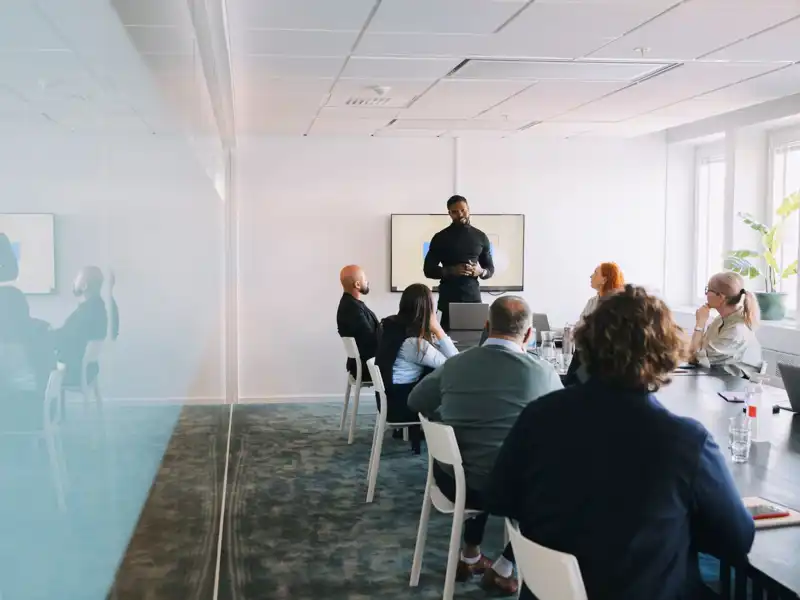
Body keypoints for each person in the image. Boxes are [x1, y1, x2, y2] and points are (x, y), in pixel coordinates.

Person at [485, 285, 755, 600]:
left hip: (546, 592)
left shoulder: (538, 416)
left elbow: (500, 497)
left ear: (587, 343)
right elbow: (737, 539)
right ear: (665, 352)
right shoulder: (684, 442)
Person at [408, 296, 562, 595]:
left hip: (454, 483)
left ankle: (470, 555)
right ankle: (503, 568)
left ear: (487, 326)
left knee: (485, 457)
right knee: (558, 488)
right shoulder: (543, 372)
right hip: (513, 490)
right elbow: (562, 425)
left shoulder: (454, 365)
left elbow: (416, 400)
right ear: (529, 334)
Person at [375, 283, 457, 453]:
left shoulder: (393, 328)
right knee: (450, 385)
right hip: (403, 405)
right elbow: (455, 363)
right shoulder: (415, 344)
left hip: (390, 398)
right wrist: (438, 330)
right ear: (427, 310)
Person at [423, 195, 494, 331]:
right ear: (449, 213)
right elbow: (428, 270)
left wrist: (480, 272)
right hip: (447, 299)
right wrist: (452, 271)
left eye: (463, 210)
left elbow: (490, 269)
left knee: (476, 338)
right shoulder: (440, 238)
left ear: (468, 209)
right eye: (455, 212)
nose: (460, 214)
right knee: (445, 338)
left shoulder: (481, 237)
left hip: (473, 298)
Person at [690, 271, 762, 377]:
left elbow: (695, 358)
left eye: (708, 290)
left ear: (721, 297)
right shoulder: (720, 320)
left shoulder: (736, 330)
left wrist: (700, 324)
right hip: (716, 378)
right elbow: (696, 352)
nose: (706, 294)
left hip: (734, 383)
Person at [55, 266, 117, 387]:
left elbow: (66, 338)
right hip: (91, 370)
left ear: (84, 286)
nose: (74, 281)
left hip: (74, 372)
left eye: (77, 278)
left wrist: (45, 334)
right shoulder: (98, 308)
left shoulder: (86, 311)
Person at [336, 265, 379, 382]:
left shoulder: (351, 304)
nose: (367, 281)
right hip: (367, 368)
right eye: (364, 279)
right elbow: (370, 341)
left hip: (365, 364)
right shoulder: (351, 309)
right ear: (357, 285)